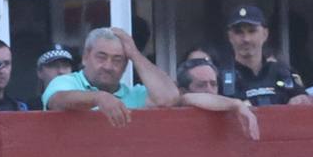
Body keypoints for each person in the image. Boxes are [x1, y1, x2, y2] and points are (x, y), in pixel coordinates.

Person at [43, 23, 261, 134]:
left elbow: (170, 98)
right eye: (101, 57)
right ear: (85, 56)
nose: (108, 66)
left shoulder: (136, 95)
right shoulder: (68, 82)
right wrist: (98, 98)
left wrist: (135, 54)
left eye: (118, 59)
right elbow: (58, 100)